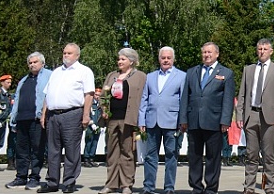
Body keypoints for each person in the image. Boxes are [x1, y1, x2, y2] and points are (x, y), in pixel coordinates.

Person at [179, 42, 236, 194]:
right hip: (194, 121)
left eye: (210, 52)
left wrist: (225, 121)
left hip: (215, 121)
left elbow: (228, 99)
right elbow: (185, 97)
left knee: (213, 157)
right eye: (204, 52)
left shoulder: (226, 73)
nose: (207, 55)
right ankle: (196, 187)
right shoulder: (192, 72)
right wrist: (183, 119)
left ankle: (211, 188)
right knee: (194, 156)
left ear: (217, 54)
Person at [39, 43, 95, 194]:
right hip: (53, 114)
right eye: (64, 53)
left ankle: (69, 181)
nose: (66, 55)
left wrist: (86, 114)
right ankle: (52, 182)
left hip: (72, 113)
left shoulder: (84, 71)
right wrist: (43, 114)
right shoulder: (56, 72)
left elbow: (88, 94)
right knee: (53, 150)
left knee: (71, 150)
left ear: (77, 55)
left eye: (69, 53)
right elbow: (47, 94)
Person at [237, 39, 274, 194]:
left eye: (265, 49)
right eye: (259, 49)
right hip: (251, 115)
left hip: (270, 117)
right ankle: (249, 187)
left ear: (270, 51)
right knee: (251, 154)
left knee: (269, 155)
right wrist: (240, 115)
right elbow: (242, 95)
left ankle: (270, 187)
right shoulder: (249, 69)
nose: (262, 52)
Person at [138, 46, 186, 194]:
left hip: (172, 122)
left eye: (168, 58)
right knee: (150, 156)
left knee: (171, 156)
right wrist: (141, 120)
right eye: (163, 57)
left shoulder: (182, 76)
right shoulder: (150, 76)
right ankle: (148, 187)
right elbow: (144, 99)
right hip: (152, 121)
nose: (165, 60)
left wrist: (183, 121)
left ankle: (169, 187)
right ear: (159, 59)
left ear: (173, 59)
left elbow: (184, 100)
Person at [99, 48, 147, 194]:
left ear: (131, 61)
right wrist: (104, 109)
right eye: (119, 59)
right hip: (112, 119)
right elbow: (103, 95)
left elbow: (145, 97)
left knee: (127, 152)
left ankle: (126, 184)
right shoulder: (112, 76)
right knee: (112, 152)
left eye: (123, 59)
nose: (119, 62)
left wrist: (141, 120)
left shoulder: (140, 76)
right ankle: (111, 184)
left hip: (129, 120)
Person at [6, 53, 52, 189]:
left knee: (37, 149)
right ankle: (21, 176)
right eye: (30, 63)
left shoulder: (49, 76)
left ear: (42, 63)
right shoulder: (24, 80)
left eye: (35, 62)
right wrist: (13, 117)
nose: (32, 65)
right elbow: (17, 99)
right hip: (22, 119)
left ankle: (35, 177)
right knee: (21, 150)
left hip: (37, 119)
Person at [82, 88, 103, 167]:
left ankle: (92, 158)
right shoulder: (90, 104)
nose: (97, 97)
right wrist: (91, 123)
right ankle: (86, 159)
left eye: (99, 95)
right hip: (90, 126)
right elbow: (88, 114)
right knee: (89, 142)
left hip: (98, 126)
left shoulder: (100, 105)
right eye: (96, 95)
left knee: (95, 142)